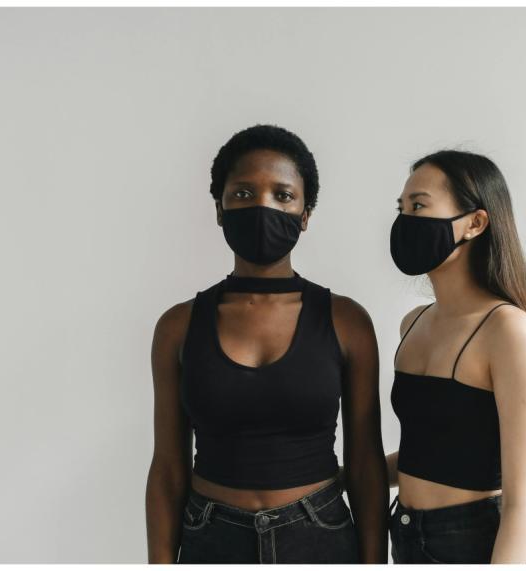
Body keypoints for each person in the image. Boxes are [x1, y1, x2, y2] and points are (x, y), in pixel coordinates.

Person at [145, 124, 388, 563]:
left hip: (320, 537)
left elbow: (365, 462)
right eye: (243, 194)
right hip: (211, 539)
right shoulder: (177, 327)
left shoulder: (347, 321)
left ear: (305, 214)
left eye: (283, 195)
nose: (262, 207)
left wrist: (374, 562)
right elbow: (167, 468)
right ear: (219, 209)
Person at [385, 149, 526, 564]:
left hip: (471, 545)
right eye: (402, 207)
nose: (406, 220)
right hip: (405, 536)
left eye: (419, 205)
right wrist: (328, 480)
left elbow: (523, 502)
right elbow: (428, 455)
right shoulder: (413, 324)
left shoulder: (507, 330)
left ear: (476, 223)